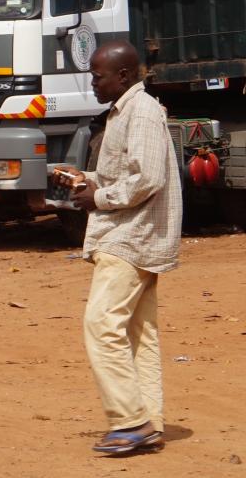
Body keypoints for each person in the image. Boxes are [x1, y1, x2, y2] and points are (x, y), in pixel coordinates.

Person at [52, 41, 182, 455]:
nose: (92, 82)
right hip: (130, 234)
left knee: (102, 326)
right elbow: (121, 174)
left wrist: (99, 198)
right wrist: (83, 177)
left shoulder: (140, 112)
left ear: (123, 76)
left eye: (98, 75)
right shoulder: (124, 112)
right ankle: (149, 423)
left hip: (131, 237)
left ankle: (130, 421)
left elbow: (147, 180)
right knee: (137, 334)